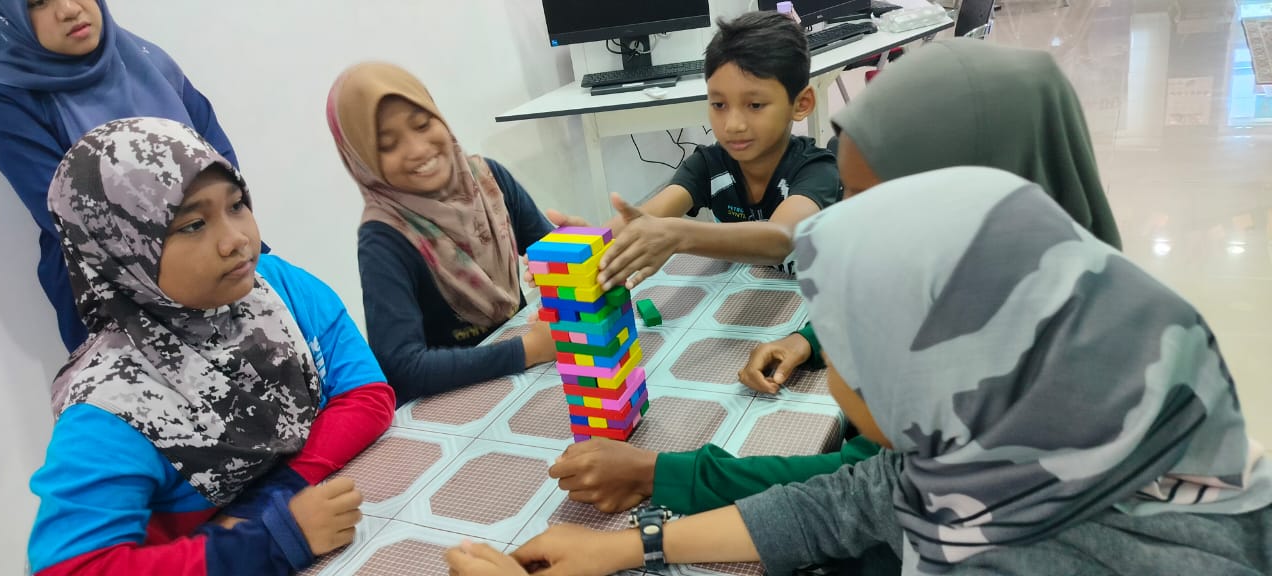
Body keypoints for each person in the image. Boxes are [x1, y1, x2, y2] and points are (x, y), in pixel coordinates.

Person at [512, 166, 1272, 576]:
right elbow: (846, 502)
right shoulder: (1037, 430)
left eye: (844, 346)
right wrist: (627, 546)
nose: (833, 375)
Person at [548, 39, 1125, 521]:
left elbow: (857, 486)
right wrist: (810, 340)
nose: (844, 229)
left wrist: (658, 479)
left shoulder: (1010, 385)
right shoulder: (1004, 290)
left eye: (869, 200)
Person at [28, 118, 396, 576]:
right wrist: (274, 539)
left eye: (237, 205)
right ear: (123, 250)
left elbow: (367, 394)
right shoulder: (112, 404)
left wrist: (271, 502)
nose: (236, 239)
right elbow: (71, 569)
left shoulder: (276, 286)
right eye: (193, 224)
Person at [741, 37, 1123, 395]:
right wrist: (809, 340)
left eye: (872, 199)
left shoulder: (1046, 367)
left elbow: (895, 446)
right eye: (847, 193)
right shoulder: (980, 271)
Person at [0, 0, 240, 352]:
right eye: (38, 3)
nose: (68, 9)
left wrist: (220, 231)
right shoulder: (7, 98)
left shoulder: (146, 60)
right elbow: (67, 212)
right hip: (111, 287)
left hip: (218, 246)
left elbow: (222, 164)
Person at [544, 11, 842, 291]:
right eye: (719, 104)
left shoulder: (817, 169)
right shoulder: (709, 165)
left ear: (801, 104)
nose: (733, 125)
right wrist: (590, 245)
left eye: (755, 105)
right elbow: (644, 218)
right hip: (753, 297)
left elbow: (780, 240)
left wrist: (680, 235)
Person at [327, 62, 557, 405]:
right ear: (362, 160)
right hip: (454, 404)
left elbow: (552, 251)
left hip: (529, 376)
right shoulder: (384, 238)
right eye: (388, 145)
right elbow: (402, 368)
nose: (418, 149)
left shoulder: (488, 180)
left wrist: (579, 248)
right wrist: (527, 350)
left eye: (423, 124)